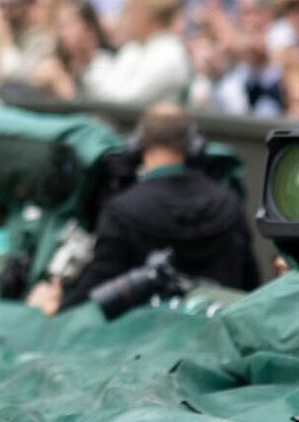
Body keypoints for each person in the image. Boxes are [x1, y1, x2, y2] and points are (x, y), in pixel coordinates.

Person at [29, 104, 260, 313]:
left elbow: (96, 291)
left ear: (137, 145)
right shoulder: (229, 202)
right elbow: (250, 284)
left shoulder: (122, 209)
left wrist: (56, 307)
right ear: (194, 146)